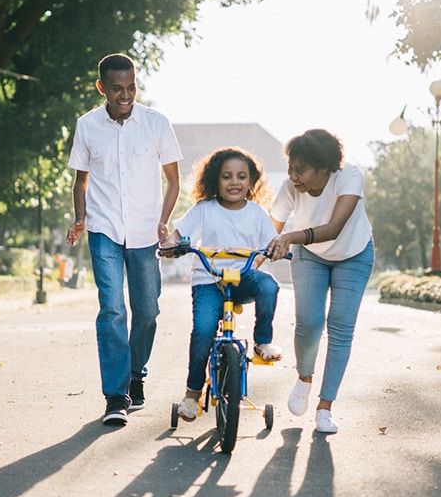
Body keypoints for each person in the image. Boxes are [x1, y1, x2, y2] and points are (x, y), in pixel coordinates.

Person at [65, 53, 182, 426]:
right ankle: (116, 396)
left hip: (147, 232)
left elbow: (173, 180)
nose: (126, 95)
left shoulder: (156, 123)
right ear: (102, 88)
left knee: (147, 311)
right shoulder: (87, 126)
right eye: (117, 89)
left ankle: (136, 375)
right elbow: (80, 180)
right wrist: (81, 219)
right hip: (104, 231)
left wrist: (164, 221)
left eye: (131, 87)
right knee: (113, 309)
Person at [160, 147, 283, 422]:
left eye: (241, 176)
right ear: (216, 180)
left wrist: (275, 250)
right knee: (203, 331)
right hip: (208, 281)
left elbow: (270, 243)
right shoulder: (204, 209)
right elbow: (179, 234)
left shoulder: (257, 213)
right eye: (227, 176)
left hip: (241, 279)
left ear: (251, 182)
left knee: (269, 286)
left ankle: (262, 342)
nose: (234, 182)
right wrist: (171, 245)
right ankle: (192, 393)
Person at [266, 128, 375, 434]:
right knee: (309, 322)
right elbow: (269, 229)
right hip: (310, 256)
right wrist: (257, 254)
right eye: (290, 167)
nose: (292, 176)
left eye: (300, 170)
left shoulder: (348, 177)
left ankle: (325, 407)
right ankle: (304, 378)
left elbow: (334, 228)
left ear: (324, 167)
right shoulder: (290, 187)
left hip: (354, 254)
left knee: (340, 327)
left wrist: (290, 236)